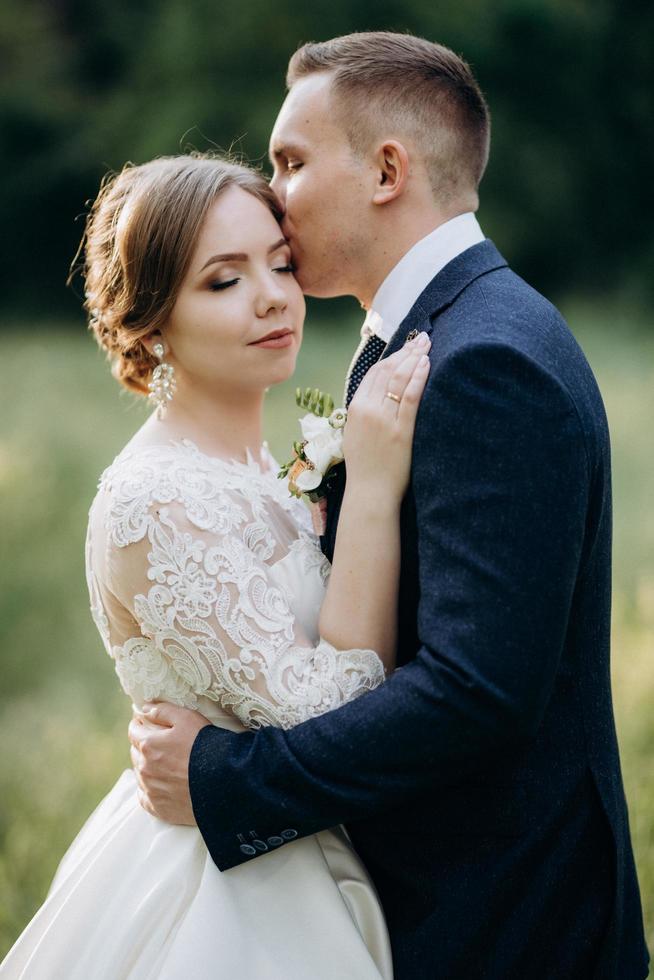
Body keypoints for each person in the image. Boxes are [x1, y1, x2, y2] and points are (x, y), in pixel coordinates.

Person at [130, 31, 649, 980]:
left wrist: (224, 779)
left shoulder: (488, 359)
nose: (273, 193)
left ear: (385, 170)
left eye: (290, 161)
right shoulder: (432, 332)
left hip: (508, 926)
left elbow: (476, 692)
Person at [0, 154, 432, 978]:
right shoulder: (154, 502)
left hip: (304, 847)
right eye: (223, 281)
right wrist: (373, 487)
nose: (273, 295)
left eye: (279, 263)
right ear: (154, 321)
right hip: (226, 895)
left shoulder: (265, 474)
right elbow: (322, 716)